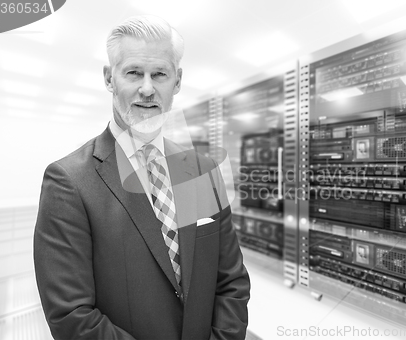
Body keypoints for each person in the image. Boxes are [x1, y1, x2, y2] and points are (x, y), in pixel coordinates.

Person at [33, 15, 250, 340]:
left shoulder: (201, 170)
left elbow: (230, 281)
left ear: (176, 81)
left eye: (159, 74)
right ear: (110, 78)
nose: (147, 89)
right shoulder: (69, 181)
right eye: (133, 72)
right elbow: (71, 316)